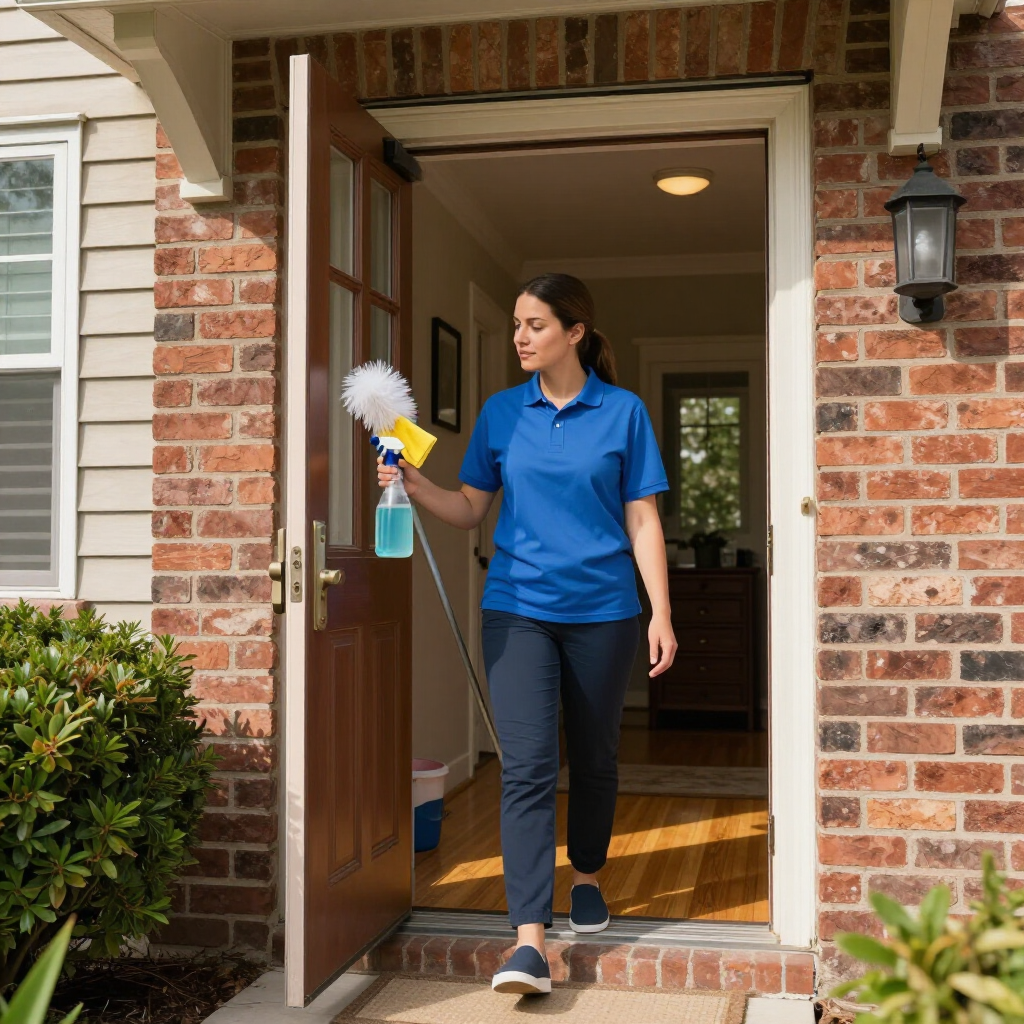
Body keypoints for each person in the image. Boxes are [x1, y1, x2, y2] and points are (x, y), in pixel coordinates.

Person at [377, 273, 677, 995]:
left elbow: (642, 519)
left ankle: (590, 877)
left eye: (535, 324)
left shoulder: (623, 412)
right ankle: (529, 941)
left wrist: (661, 612)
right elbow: (470, 508)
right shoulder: (501, 413)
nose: (519, 336)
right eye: (515, 323)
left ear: (574, 332)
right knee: (530, 765)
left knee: (596, 757)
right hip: (517, 608)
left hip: (606, 612)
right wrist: (414, 485)